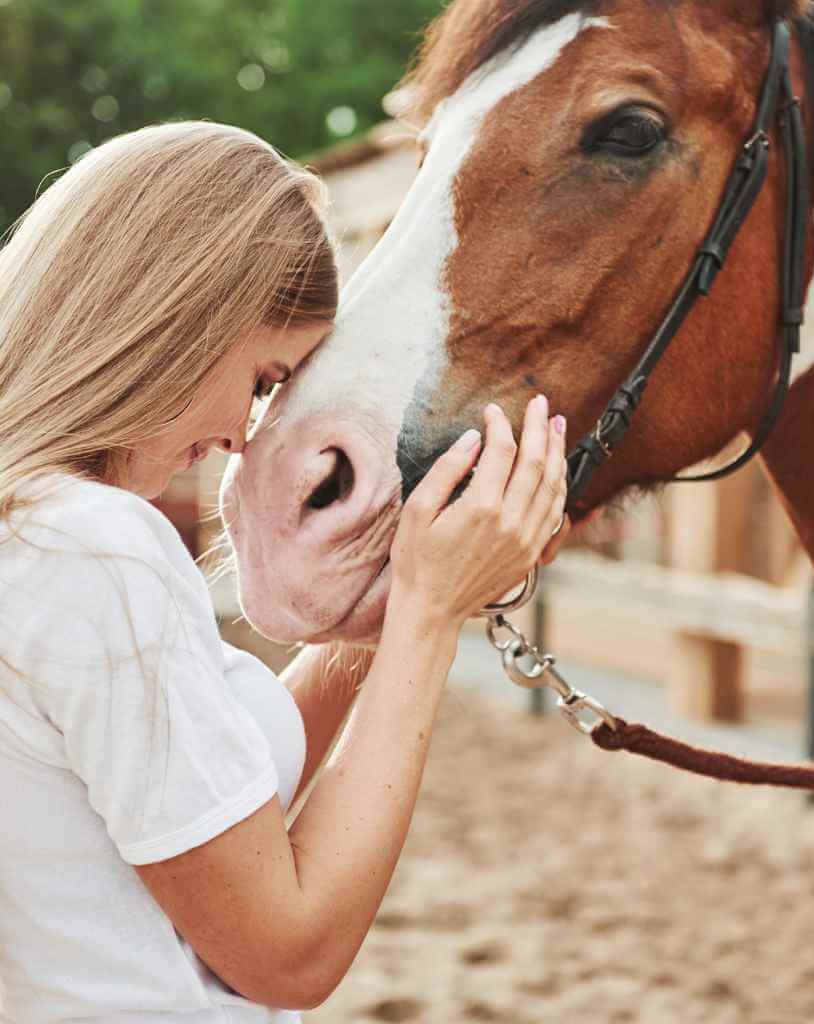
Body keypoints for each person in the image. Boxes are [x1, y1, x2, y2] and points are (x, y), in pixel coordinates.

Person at [0, 121, 569, 1022]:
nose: (241, 433)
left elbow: (208, 808)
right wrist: (426, 618)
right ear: (177, 319)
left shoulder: (33, 536)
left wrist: (387, 601)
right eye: (266, 378)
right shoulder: (95, 552)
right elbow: (290, 956)